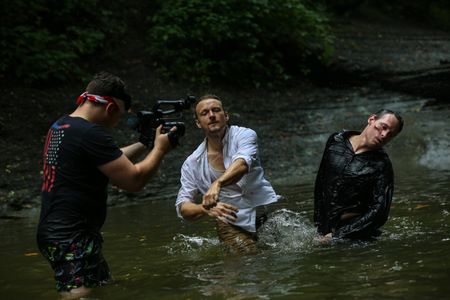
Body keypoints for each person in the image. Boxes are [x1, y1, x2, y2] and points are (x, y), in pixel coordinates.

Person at [37, 72, 174, 299]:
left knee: (103, 287)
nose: (115, 123)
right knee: (79, 295)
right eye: (118, 117)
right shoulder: (91, 133)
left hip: (61, 231)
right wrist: (160, 149)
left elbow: (109, 159)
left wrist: (144, 144)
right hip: (70, 236)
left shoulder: (63, 125)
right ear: (110, 109)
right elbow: (133, 181)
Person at [175, 94, 279, 253]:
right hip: (229, 222)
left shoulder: (244, 135)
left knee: (276, 261)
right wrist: (205, 208)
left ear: (226, 115)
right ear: (198, 123)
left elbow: (242, 164)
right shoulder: (192, 163)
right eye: (204, 113)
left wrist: (218, 183)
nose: (211, 115)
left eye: (216, 110)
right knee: (249, 258)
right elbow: (183, 207)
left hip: (262, 214)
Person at [314, 109, 404, 241]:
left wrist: (338, 236)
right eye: (383, 127)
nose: (384, 134)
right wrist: (318, 225)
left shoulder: (382, 165)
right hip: (324, 229)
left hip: (355, 236)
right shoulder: (336, 140)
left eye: (390, 134)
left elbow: (379, 212)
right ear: (372, 119)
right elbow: (321, 182)